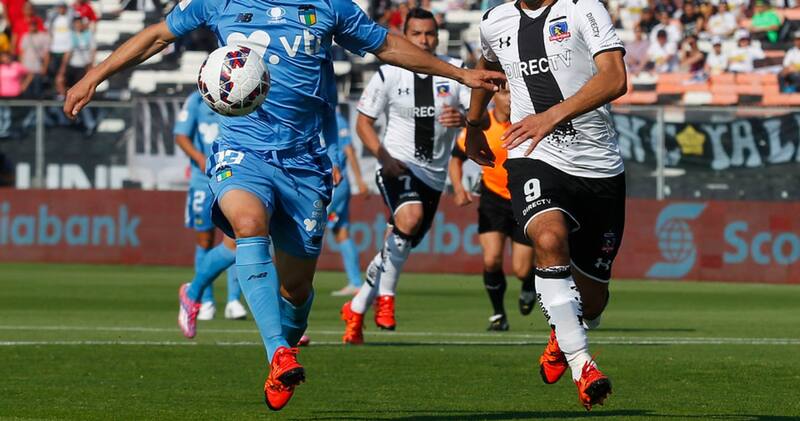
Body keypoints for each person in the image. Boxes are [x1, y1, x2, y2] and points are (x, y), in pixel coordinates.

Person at [62, 0, 503, 411]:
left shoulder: (330, 6)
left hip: (304, 162)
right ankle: (277, 352)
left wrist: (459, 74)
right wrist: (94, 75)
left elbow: (385, 44)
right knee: (248, 224)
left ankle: (283, 350)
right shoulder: (221, 2)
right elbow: (159, 35)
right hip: (242, 150)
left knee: (296, 290)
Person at [469, 0, 627, 410]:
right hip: (533, 154)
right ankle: (583, 364)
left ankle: (564, 330)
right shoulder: (493, 20)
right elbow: (486, 71)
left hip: (599, 167)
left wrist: (551, 115)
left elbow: (615, 78)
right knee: (548, 235)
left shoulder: (583, 8)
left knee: (592, 302)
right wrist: (473, 125)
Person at [340, 8, 471, 343]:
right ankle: (386, 301)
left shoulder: (454, 71)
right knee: (408, 218)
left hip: (434, 176)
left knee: (395, 245)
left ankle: (355, 308)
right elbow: (363, 123)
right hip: (397, 164)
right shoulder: (389, 74)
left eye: (430, 34)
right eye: (416, 34)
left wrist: (466, 120)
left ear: (438, 36)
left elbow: (480, 117)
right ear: (404, 36)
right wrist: (383, 158)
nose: (424, 40)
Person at [449, 87, 535, 331]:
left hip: (524, 197)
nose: (509, 98)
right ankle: (499, 315)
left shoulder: (526, 121)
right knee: (491, 259)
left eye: (512, 93)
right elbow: (456, 158)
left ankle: (528, 284)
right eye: (505, 93)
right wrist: (458, 188)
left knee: (521, 269)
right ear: (494, 97)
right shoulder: (481, 124)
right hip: (493, 198)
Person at [175, 90, 247, 321]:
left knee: (238, 236)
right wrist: (197, 157)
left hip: (234, 177)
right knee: (204, 239)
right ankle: (205, 300)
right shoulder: (195, 99)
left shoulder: (243, 93)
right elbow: (181, 135)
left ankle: (234, 300)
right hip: (202, 181)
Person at [327, 109, 369, 297]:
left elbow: (349, 150)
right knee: (341, 232)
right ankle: (356, 282)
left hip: (335, 185)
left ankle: (288, 279)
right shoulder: (325, 116)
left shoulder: (335, 119)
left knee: (308, 224)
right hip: (338, 185)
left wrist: (360, 180)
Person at [20, 20, 49, 98]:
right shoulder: (25, 36)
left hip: (37, 68)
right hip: (27, 67)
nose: (32, 27)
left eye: (33, 25)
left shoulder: (43, 36)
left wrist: (45, 67)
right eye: (30, 25)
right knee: (26, 90)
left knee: (37, 90)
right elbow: (22, 52)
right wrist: (21, 67)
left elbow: (46, 54)